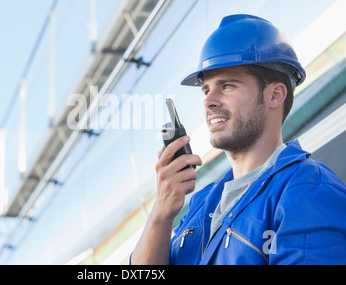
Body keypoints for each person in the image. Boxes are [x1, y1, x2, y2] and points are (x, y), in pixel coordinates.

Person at [130, 14, 346, 265]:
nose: (208, 101)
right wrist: (161, 212)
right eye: (206, 89)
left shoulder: (308, 190)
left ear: (275, 95)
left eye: (227, 86)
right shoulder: (203, 202)